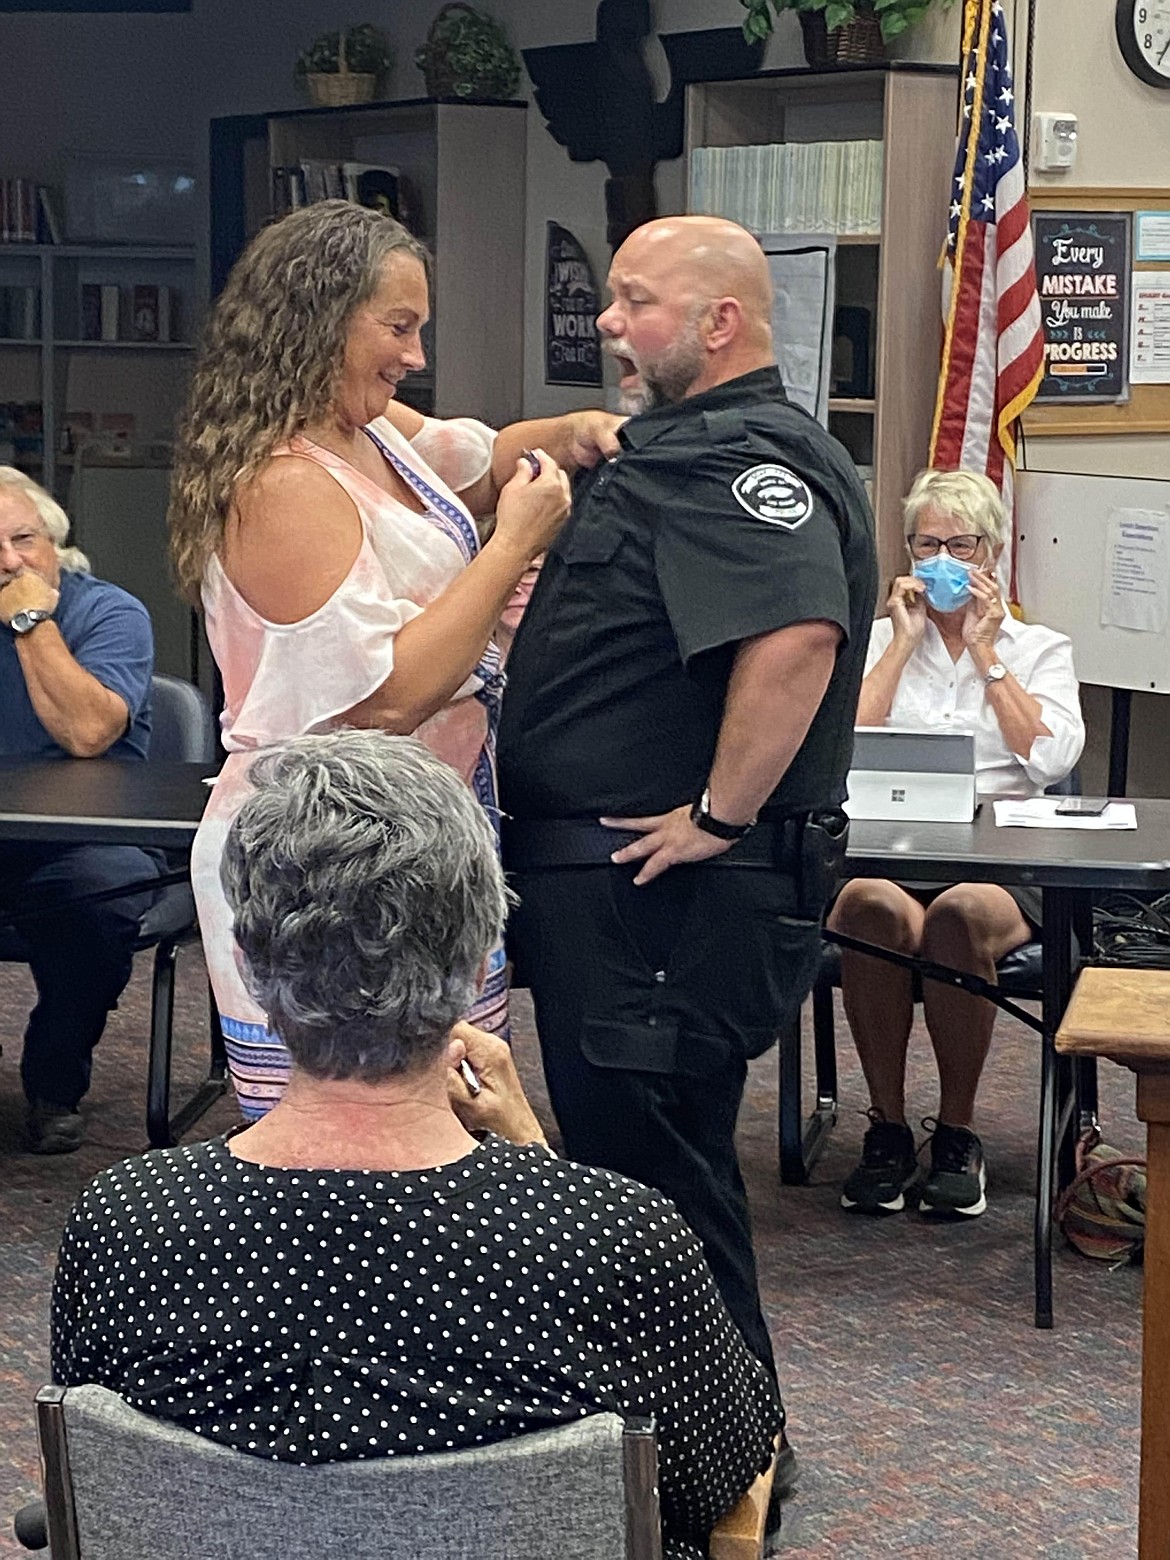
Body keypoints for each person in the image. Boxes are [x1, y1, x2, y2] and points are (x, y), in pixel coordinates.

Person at [51, 732, 783, 1560]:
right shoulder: (613, 1240)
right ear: (478, 961)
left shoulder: (126, 1224)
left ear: (250, 963)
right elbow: (729, 1472)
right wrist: (536, 1161)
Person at [496, 215, 878, 1413]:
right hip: (621, 894)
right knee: (652, 1171)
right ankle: (701, 1447)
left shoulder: (734, 458)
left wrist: (716, 814)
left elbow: (797, 636)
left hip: (661, 896)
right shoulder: (677, 446)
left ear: (721, 323)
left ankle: (730, 1455)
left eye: (635, 300)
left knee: (655, 1188)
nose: (609, 322)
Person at [168, 199, 620, 1122]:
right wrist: (512, 547)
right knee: (344, 1133)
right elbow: (389, 697)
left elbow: (484, 456)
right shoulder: (284, 483)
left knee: (448, 1108)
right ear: (321, 319)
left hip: (418, 835)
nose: (416, 353)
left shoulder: (367, 431)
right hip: (317, 853)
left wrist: (578, 429)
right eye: (400, 327)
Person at [831, 468, 1085, 1219]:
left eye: (960, 544)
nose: (941, 557)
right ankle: (885, 1127)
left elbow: (1049, 758)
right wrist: (903, 647)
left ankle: (958, 1134)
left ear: (991, 554)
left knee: (959, 918)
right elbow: (838, 744)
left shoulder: (1041, 647)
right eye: (926, 542)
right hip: (891, 848)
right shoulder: (877, 640)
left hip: (1002, 863)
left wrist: (985, 652)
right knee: (870, 911)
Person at [0, 466, 160, 1153]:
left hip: (84, 838)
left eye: (23, 539)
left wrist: (31, 621)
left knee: (100, 898)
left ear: (54, 542)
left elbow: (88, 733)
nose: (9, 561)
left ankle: (55, 1077)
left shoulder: (109, 613)